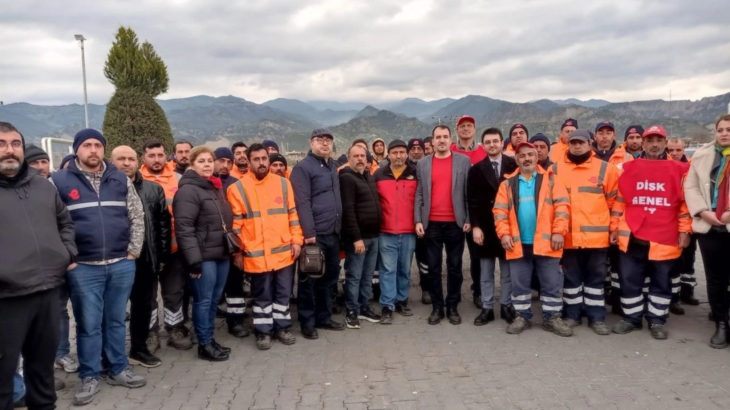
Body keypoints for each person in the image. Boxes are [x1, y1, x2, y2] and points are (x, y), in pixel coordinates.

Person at [51, 129, 146, 405]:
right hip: (83, 267)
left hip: (121, 263)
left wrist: (133, 251)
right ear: (77, 149)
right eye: (87, 145)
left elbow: (136, 214)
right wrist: (68, 257)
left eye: (98, 145)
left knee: (116, 321)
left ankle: (118, 368)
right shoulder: (58, 181)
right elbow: (52, 223)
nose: (93, 150)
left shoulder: (119, 178)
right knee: (89, 325)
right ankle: (90, 375)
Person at [0, 122, 77, 409]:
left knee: (42, 375)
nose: (9, 150)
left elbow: (64, 223)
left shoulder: (43, 186)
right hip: (6, 301)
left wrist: (66, 253)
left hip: (47, 294)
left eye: (15, 143)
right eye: (2, 143)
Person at [611, 125, 691, 340]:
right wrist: (615, 227)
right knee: (629, 280)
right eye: (650, 140)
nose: (654, 144)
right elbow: (620, 201)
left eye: (659, 140)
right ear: (643, 144)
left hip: (664, 238)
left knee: (661, 281)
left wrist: (685, 231)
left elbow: (684, 205)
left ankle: (657, 320)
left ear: (665, 143)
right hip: (633, 236)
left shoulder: (679, 170)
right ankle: (631, 318)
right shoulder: (628, 168)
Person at [493, 142, 573, 337]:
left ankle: (552, 317)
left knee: (551, 282)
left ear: (537, 157)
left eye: (530, 154)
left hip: (547, 243)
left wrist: (558, 232)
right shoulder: (507, 184)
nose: (527, 158)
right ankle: (522, 316)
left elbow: (563, 207)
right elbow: (499, 212)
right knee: (519, 284)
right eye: (522, 156)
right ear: (517, 160)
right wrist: (503, 234)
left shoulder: (552, 180)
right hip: (518, 244)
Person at [228, 143, 303, 349]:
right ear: (249, 162)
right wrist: (238, 253)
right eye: (257, 159)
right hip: (256, 255)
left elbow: (292, 216)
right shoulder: (237, 188)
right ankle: (263, 332)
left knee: (282, 294)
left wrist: (297, 241)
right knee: (262, 296)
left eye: (264, 159)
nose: (261, 163)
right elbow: (236, 226)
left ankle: (283, 328)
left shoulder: (283, 184)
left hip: (283, 252)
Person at [551, 129, 620, 335]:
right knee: (571, 280)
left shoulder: (606, 169)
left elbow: (615, 202)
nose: (577, 146)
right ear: (568, 144)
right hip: (569, 238)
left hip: (596, 239)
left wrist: (614, 228)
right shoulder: (555, 169)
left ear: (590, 144)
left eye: (581, 142)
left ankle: (596, 317)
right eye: (573, 143)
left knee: (595, 280)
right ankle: (571, 315)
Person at [110, 146, 170, 368]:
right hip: (115, 261)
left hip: (146, 260)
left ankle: (139, 349)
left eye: (130, 159)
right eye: (121, 159)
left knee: (143, 307)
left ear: (138, 162)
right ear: (111, 161)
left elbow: (163, 225)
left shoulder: (154, 190)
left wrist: (162, 256)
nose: (126, 163)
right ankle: (111, 354)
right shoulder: (104, 189)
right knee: (114, 310)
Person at [174, 146, 234, 361]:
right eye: (201, 161)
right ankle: (204, 344)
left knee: (213, 299)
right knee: (203, 300)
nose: (207, 164)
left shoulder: (213, 187)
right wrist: (194, 261)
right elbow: (184, 228)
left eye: (210, 160)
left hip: (221, 254)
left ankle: (209, 339)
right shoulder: (188, 190)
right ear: (191, 164)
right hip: (203, 257)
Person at [291, 129, 345, 339]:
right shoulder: (303, 168)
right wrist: (309, 232)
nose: (325, 144)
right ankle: (307, 321)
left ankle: (324, 317)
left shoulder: (332, 166)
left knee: (329, 279)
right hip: (315, 234)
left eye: (328, 141)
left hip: (333, 231)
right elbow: (302, 202)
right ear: (311, 143)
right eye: (320, 140)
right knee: (309, 279)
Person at [415, 125, 471, 325]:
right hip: (432, 223)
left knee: (455, 267)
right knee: (434, 267)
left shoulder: (463, 162)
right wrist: (418, 220)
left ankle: (453, 305)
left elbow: (468, 192)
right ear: (432, 141)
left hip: (455, 223)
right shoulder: (423, 164)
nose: (442, 140)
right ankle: (438, 307)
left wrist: (468, 219)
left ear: (451, 139)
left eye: (445, 137)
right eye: (438, 137)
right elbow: (420, 193)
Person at [140, 141, 192, 350]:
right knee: (148, 294)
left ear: (166, 156)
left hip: (173, 247)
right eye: (151, 155)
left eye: (160, 155)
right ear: (144, 158)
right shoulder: (136, 179)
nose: (156, 159)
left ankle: (174, 328)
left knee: (174, 292)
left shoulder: (179, 179)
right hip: (147, 250)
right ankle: (150, 332)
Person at [684, 114, 730, 348]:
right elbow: (690, 186)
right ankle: (721, 323)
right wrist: (703, 212)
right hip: (709, 224)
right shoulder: (702, 156)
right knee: (715, 278)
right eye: (720, 129)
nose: (724, 133)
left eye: (728, 129)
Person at [468, 128, 518, 326]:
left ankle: (506, 305)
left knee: (507, 272)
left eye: (495, 141)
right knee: (486, 272)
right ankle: (487, 308)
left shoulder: (513, 165)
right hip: (486, 226)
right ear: (483, 145)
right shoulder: (476, 169)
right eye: (488, 142)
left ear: (501, 143)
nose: (492, 145)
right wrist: (475, 227)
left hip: (507, 225)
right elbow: (471, 200)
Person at [337, 145, 382, 328]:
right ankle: (352, 311)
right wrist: (356, 238)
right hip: (359, 239)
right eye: (355, 156)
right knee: (354, 276)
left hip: (374, 236)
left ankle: (364, 307)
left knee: (368, 276)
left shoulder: (368, 176)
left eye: (362, 156)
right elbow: (348, 211)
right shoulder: (347, 178)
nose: (360, 159)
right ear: (349, 158)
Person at [212, 146, 249, 338]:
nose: (225, 165)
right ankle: (206, 326)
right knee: (212, 286)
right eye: (221, 161)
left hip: (233, 243)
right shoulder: (205, 183)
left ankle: (236, 321)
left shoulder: (237, 185)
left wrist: (239, 248)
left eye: (229, 162)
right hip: (210, 244)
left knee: (235, 284)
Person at [450, 115, 487, 308]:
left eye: (469, 126)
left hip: (476, 212)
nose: (465, 129)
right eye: (462, 126)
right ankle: (453, 293)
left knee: (477, 256)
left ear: (474, 129)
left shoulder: (483, 152)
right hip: (455, 211)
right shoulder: (450, 151)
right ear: (457, 130)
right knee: (454, 257)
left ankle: (478, 291)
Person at [667, 138, 700, 306]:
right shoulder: (664, 166)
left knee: (688, 258)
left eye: (678, 150)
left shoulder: (692, 167)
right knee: (673, 261)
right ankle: (674, 297)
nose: (674, 153)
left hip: (690, 220)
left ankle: (688, 291)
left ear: (684, 149)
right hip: (671, 220)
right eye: (671, 150)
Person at [406, 138, 430, 304]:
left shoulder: (429, 167)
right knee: (404, 260)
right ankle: (401, 293)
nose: (416, 151)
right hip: (405, 222)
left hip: (423, 220)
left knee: (425, 258)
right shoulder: (402, 168)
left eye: (419, 148)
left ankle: (426, 289)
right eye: (413, 149)